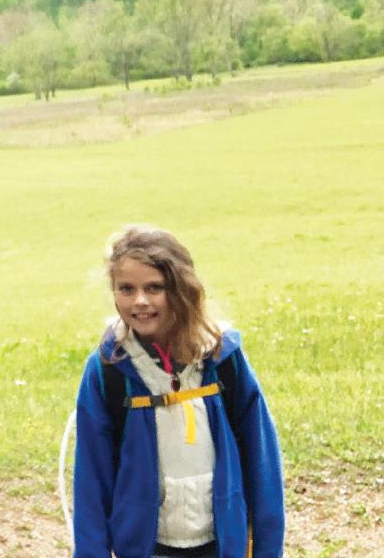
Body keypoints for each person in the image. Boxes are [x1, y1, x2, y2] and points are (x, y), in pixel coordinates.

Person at [71, 225, 285, 558]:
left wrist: (267, 549)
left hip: (221, 543)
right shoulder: (107, 369)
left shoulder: (223, 358)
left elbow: (262, 460)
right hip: (147, 547)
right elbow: (91, 477)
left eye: (154, 287)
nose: (140, 300)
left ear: (181, 288)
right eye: (126, 288)